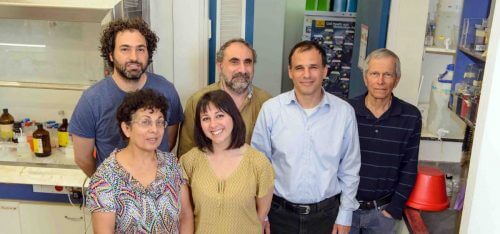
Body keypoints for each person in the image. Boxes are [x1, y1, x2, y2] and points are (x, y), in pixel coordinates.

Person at [251, 40, 361, 234]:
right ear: (290, 72)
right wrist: (263, 214)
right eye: (299, 68)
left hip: (327, 217)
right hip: (278, 214)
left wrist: (345, 214)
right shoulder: (271, 110)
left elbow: (350, 169)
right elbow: (258, 166)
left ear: (325, 71)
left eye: (313, 67)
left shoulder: (344, 113)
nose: (307, 75)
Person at [69, 18, 183, 177]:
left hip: (158, 187)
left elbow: (168, 141)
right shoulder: (92, 100)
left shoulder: (167, 91)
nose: (134, 57)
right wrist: (109, 185)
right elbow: (82, 158)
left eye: (141, 49)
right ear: (110, 55)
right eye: (125, 49)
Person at [86, 89, 193, 233]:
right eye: (146, 122)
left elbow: (185, 216)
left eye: (160, 122)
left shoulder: (171, 165)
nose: (154, 129)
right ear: (127, 128)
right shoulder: (106, 178)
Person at [348, 48, 422, 234]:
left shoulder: (411, 116)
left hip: (383, 215)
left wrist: (394, 209)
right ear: (365, 78)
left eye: (387, 74)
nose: (380, 81)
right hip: (346, 211)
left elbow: (409, 167)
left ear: (396, 79)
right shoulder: (346, 111)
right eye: (374, 74)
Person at [180, 90, 274, 233]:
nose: (213, 124)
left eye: (219, 115)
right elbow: (185, 214)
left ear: (233, 117)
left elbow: (261, 216)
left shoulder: (258, 162)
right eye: (206, 118)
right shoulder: (188, 161)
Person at [177, 38, 272, 156]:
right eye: (234, 62)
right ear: (220, 66)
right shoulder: (197, 101)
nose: (242, 70)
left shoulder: (267, 103)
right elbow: (186, 153)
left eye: (248, 62)